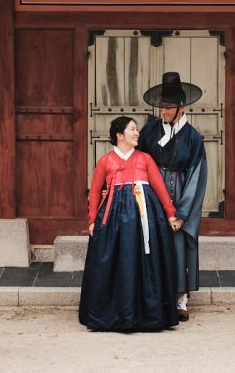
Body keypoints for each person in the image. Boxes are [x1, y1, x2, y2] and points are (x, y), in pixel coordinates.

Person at [79, 116, 183, 332]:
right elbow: (96, 191)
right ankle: (111, 314)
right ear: (119, 135)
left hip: (145, 217)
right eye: (132, 129)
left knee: (146, 261)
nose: (137, 133)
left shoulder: (145, 159)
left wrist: (171, 214)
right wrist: (91, 220)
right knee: (115, 262)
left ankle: (148, 315)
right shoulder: (106, 161)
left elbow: (160, 187)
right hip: (113, 221)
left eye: (137, 130)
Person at [137, 72, 209, 322]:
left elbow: (197, 175)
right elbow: (138, 161)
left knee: (178, 247)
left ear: (181, 107)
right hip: (152, 195)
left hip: (180, 193)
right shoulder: (149, 131)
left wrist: (182, 213)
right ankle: (155, 297)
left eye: (168, 107)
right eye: (161, 107)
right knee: (152, 244)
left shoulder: (193, 137)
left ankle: (180, 301)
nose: (163, 112)